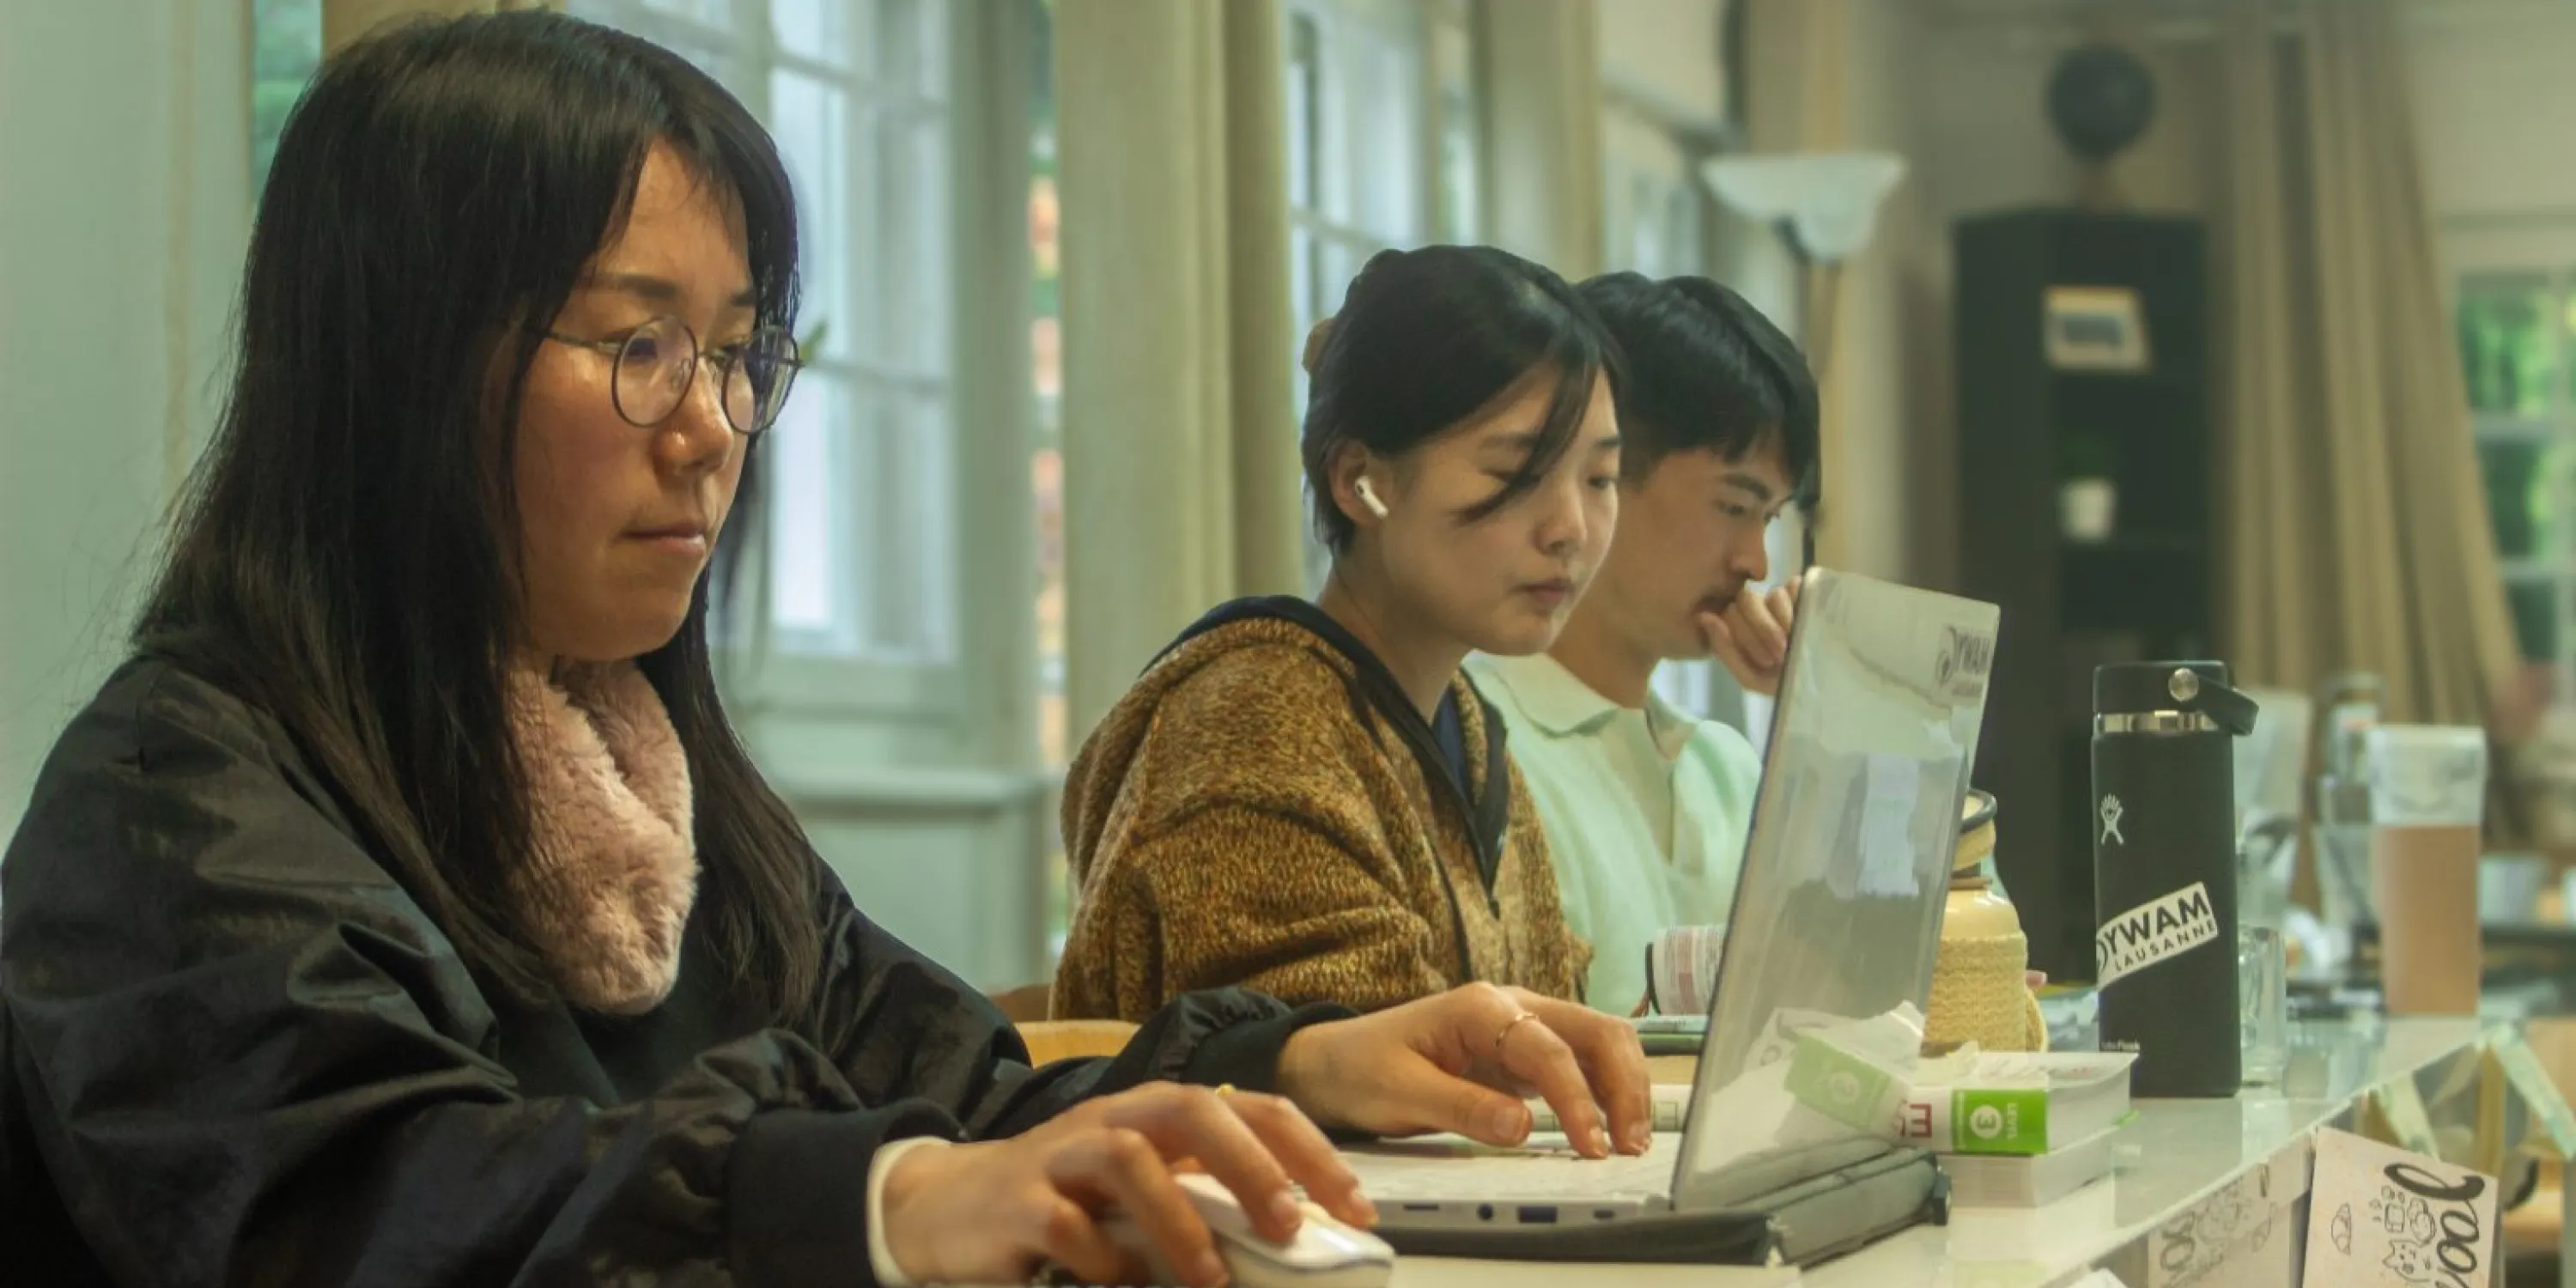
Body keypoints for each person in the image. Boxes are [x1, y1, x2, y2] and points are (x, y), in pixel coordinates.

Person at [0, 16, 1651, 1288]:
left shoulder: (637, 762)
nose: (713, 428)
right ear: (401, 365)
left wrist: (1305, 1057)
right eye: (640, 345)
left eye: (737, 353)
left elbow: (951, 1074)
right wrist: (882, 1195)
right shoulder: (179, 800)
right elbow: (391, 1204)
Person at [1051, 246, 1622, 1023]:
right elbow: (1351, 1072)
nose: (1571, 529)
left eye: (1599, 480)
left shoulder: (1463, 731)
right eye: (1515, 472)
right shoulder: (1252, 730)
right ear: (1360, 480)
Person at [1466, 272, 1819, 1017]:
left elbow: (1950, 972)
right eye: (1734, 506)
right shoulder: (1479, 747)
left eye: (1771, 519)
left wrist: (1826, 722)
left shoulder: (1725, 769)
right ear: (1601, 476)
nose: (1755, 563)